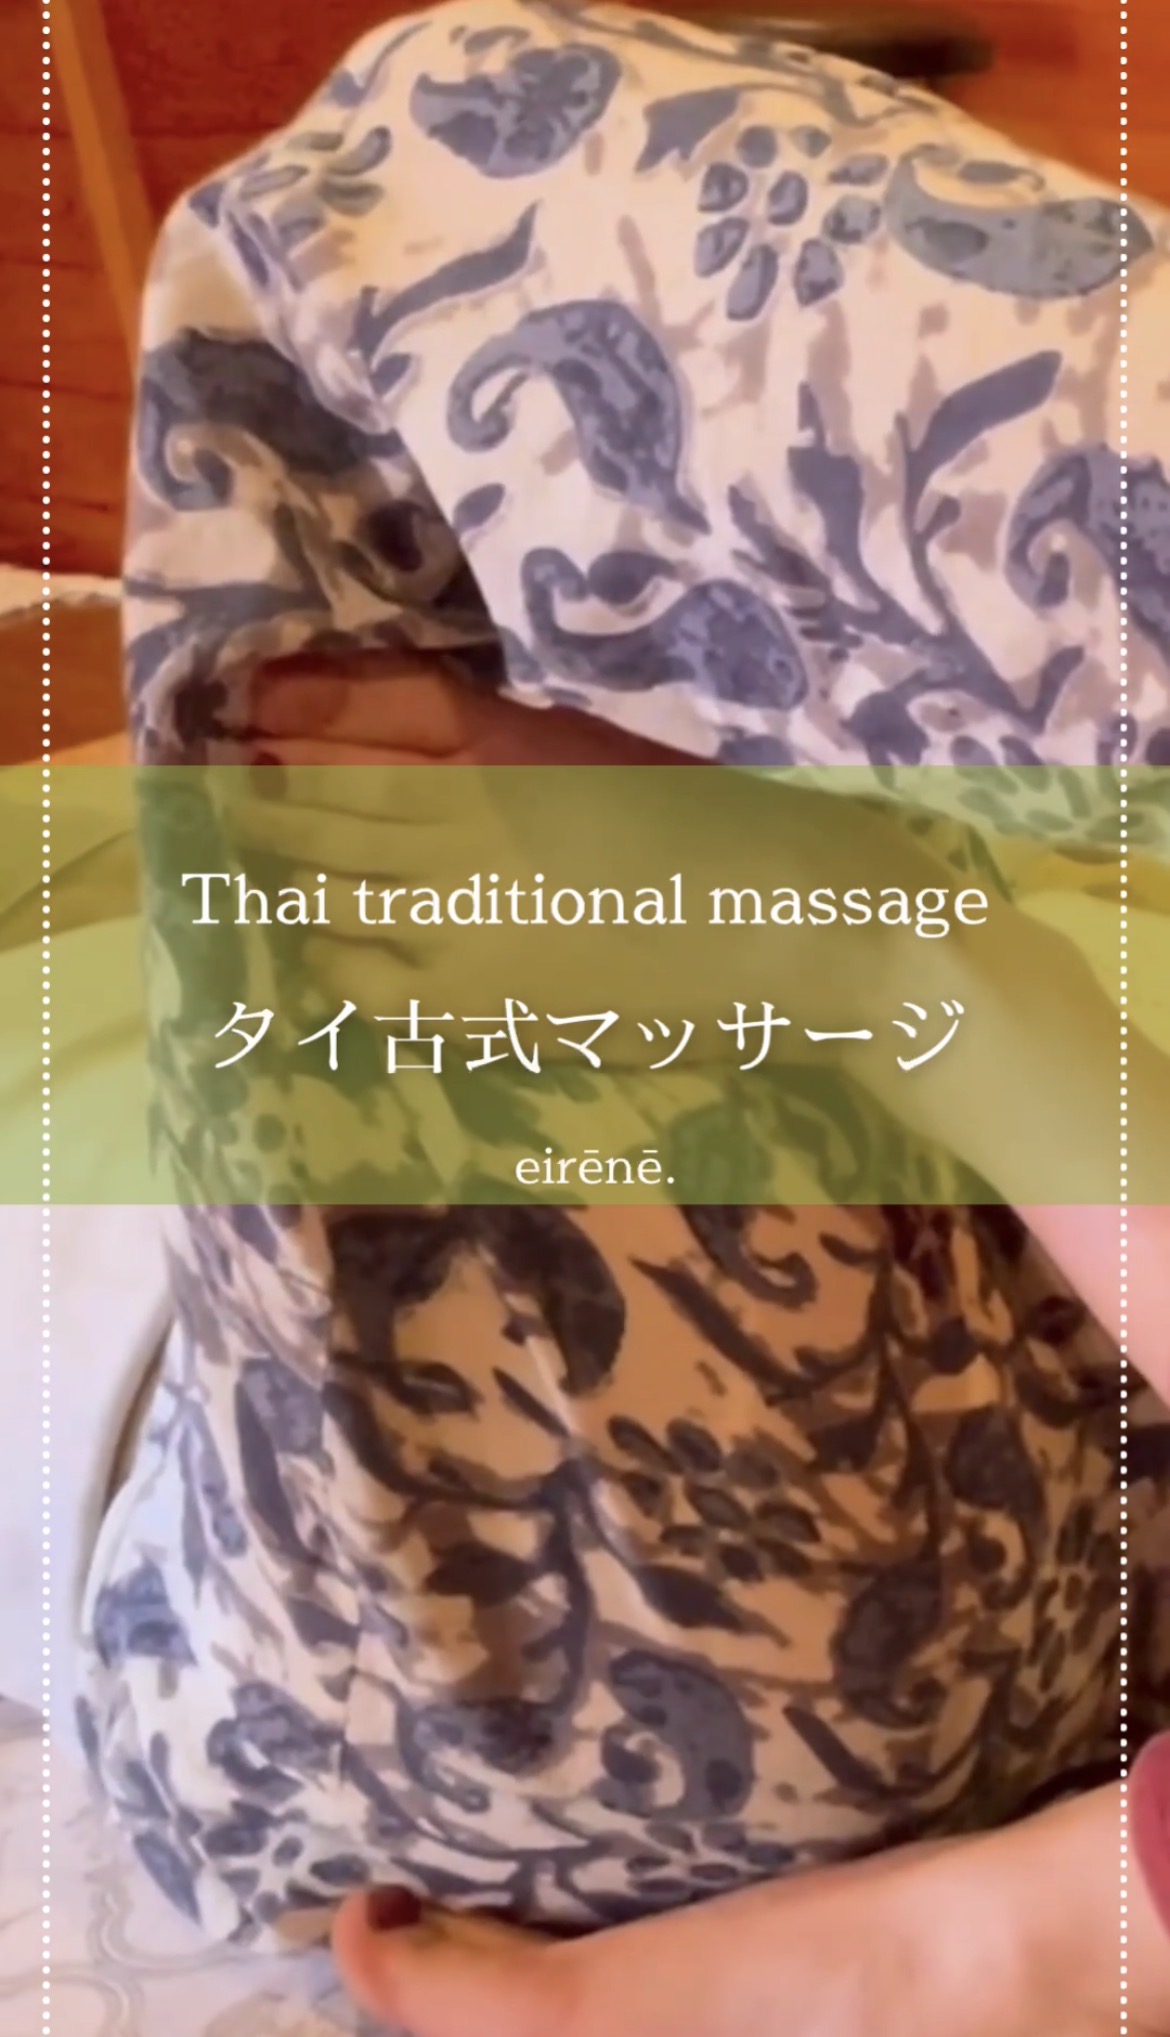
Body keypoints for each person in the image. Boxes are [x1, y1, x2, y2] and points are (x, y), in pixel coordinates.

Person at [72, 1, 1169, 2030]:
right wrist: (872, 939)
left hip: (470, 1666)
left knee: (391, 178)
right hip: (1033, 1541)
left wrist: (861, 940)